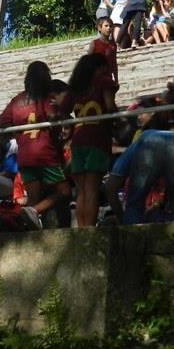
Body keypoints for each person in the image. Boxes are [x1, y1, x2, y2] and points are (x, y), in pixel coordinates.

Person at [0, 61, 69, 228]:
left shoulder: (17, 100)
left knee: (33, 197)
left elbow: (2, 121)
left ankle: (32, 225)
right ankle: (35, 210)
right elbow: (52, 116)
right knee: (64, 191)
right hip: (45, 153)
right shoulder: (47, 96)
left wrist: (17, 131)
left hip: (24, 156)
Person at [63, 52, 118, 227]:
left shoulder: (75, 87)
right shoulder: (103, 82)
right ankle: (90, 229)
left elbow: (63, 109)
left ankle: (81, 229)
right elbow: (110, 108)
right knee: (92, 187)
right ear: (99, 68)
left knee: (81, 190)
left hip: (78, 139)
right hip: (97, 137)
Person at [90, 15, 119, 90]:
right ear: (99, 28)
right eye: (106, 26)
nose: (108, 28)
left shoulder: (113, 45)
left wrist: (116, 79)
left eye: (110, 26)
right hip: (96, 78)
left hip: (108, 78)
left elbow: (114, 63)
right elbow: (88, 62)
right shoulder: (94, 43)